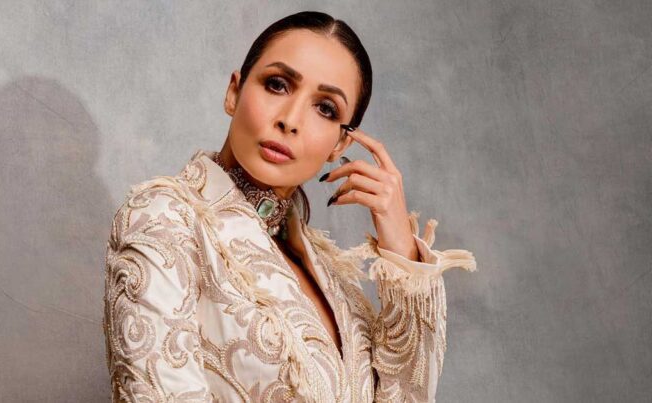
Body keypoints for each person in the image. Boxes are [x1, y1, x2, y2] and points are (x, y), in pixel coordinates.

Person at [102, 11, 476, 402]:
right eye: (277, 85)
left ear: (339, 145)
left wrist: (402, 252)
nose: (291, 120)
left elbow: (408, 395)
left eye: (325, 108)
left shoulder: (331, 274)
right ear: (234, 92)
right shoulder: (163, 218)